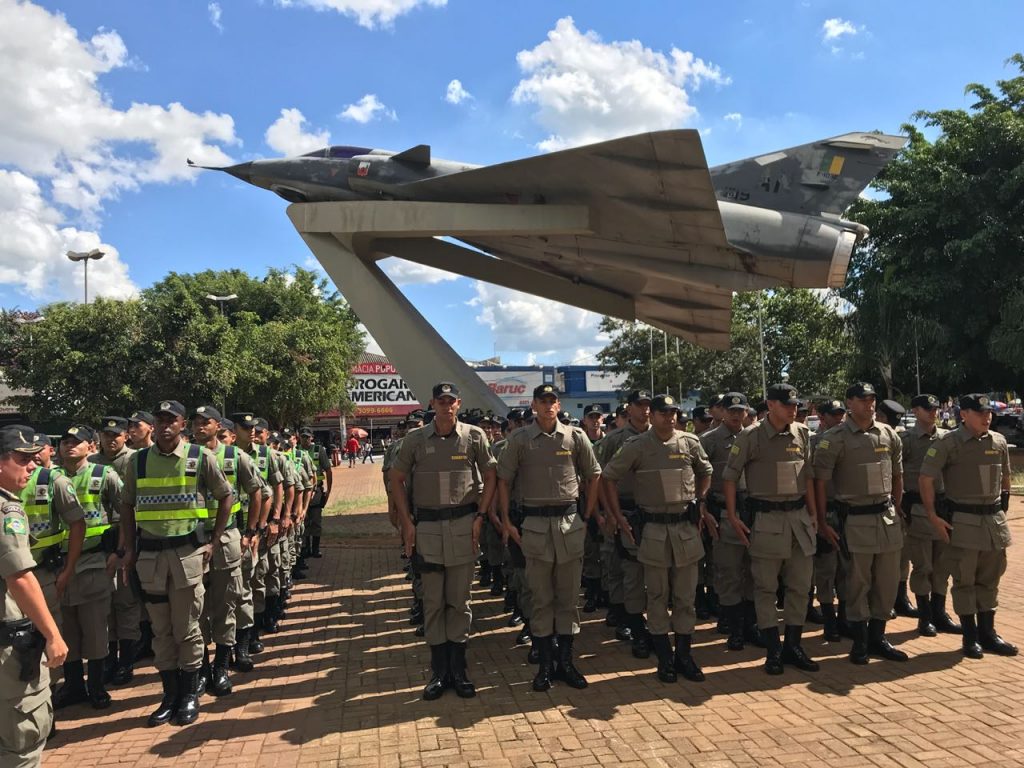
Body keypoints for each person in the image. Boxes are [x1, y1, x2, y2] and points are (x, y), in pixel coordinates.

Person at [114, 400, 233, 727]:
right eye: (160, 419)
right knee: (160, 630)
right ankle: (170, 695)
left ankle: (190, 694)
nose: (166, 425)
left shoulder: (200, 458)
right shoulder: (137, 463)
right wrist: (130, 549)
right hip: (150, 557)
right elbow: (126, 507)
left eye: (172, 420)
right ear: (154, 425)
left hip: (187, 556)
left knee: (187, 628)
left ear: (183, 425)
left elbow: (226, 496)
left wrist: (214, 538)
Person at [390, 382, 496, 700]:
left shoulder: (475, 436)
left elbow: (491, 475)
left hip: (464, 526)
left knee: (460, 602)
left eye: (451, 401)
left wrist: (481, 516)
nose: (446, 406)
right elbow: (396, 478)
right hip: (429, 530)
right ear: (432, 403)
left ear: (458, 404)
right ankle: (439, 671)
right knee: (434, 602)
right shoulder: (415, 439)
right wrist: (407, 523)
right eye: (441, 401)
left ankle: (459, 669)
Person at [602, 394, 714, 683]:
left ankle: (684, 656)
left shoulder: (689, 442)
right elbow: (608, 477)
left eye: (674, 412)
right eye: (664, 412)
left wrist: (700, 502)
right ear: (652, 414)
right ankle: (665, 658)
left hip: (686, 530)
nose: (671, 417)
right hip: (652, 530)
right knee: (657, 596)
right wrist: (617, 516)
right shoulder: (636, 446)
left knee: (686, 597)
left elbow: (706, 472)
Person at [498, 383, 601, 691]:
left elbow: (594, 475)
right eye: (542, 401)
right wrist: (505, 520)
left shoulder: (575, 437)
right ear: (534, 405)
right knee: (541, 599)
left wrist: (587, 513)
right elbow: (504, 480)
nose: (548, 406)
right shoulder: (519, 440)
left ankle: (566, 662)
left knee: (568, 598)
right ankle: (545, 665)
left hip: (569, 523)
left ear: (558, 405)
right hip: (535, 525)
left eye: (552, 401)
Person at [723, 384, 820, 675]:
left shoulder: (802, 433)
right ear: (770, 405)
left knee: (800, 587)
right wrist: (732, 515)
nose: (793, 409)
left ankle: (793, 646)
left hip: (799, 520)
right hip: (766, 521)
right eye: (787, 404)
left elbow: (810, 476)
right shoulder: (750, 436)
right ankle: (773, 650)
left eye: (795, 405)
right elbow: (729, 477)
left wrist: (814, 513)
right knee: (765, 588)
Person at [812, 382, 907, 665]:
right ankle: (860, 642)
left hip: (886, 518)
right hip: (855, 519)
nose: (869, 404)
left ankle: (879, 638)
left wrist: (897, 507)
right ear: (849, 403)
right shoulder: (834, 438)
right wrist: (820, 522)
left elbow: (898, 476)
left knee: (887, 582)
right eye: (863, 399)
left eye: (872, 399)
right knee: (857, 582)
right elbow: (820, 483)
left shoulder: (889, 434)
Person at [918, 393, 1017, 659]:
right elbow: (926, 477)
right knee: (965, 580)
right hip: (963, 521)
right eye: (980, 413)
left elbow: (1005, 477)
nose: (987, 417)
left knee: (991, 578)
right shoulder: (948, 443)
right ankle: (970, 636)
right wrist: (932, 515)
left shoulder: (999, 441)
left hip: (993, 522)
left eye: (988, 413)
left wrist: (1003, 503)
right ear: (964, 415)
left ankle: (989, 633)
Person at [0, 424, 69, 768]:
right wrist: (52, 634)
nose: (32, 466)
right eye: (22, 458)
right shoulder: (6, 512)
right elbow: (20, 577)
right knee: (22, 746)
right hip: (7, 649)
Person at [191, 405, 263, 697]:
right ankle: (201, 669)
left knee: (225, 605)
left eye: (205, 422)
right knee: (195, 611)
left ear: (217, 425)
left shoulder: (236, 456)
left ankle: (221, 667)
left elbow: (257, 491)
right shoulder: (187, 456)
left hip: (226, 539)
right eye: (195, 422)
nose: (199, 427)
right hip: (192, 540)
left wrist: (251, 532)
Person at [53, 424, 122, 710]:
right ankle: (73, 685)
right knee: (67, 627)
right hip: (58, 563)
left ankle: (96, 685)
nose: (70, 446)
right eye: (65, 441)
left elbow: (124, 514)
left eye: (77, 442)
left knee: (95, 627)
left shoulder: (105, 475)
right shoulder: (50, 478)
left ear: (91, 447)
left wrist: (118, 554)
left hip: (94, 561)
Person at [595, 390, 653, 656]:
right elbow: (599, 479)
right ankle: (628, 620)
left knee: (652, 573)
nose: (645, 410)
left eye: (648, 406)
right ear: (628, 409)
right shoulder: (614, 440)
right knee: (625, 570)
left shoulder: (661, 437)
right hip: (624, 512)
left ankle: (648, 621)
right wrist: (605, 513)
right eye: (639, 406)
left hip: (653, 513)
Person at [700, 393, 758, 650]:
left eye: (740, 410)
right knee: (729, 573)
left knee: (754, 573)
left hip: (755, 512)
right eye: (730, 410)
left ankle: (751, 627)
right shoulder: (709, 441)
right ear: (721, 412)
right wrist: (703, 509)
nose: (736, 415)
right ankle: (734, 629)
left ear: (747, 411)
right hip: (723, 513)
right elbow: (697, 478)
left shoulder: (757, 437)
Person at [901, 394, 960, 636]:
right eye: (927, 409)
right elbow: (896, 472)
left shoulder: (947, 438)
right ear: (915, 411)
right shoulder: (907, 440)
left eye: (935, 408)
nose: (932, 412)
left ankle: (940, 612)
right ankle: (925, 616)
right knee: (923, 565)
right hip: (918, 509)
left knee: (942, 565)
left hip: (943, 507)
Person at [90, 416, 141, 686]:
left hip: (127, 536)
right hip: (98, 542)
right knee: (105, 605)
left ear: (126, 436)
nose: (111, 439)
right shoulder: (92, 463)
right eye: (106, 435)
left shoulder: (134, 459)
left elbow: (126, 511)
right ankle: (109, 659)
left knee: (126, 601)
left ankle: (127, 660)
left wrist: (123, 549)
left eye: (116, 435)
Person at [809, 400, 850, 641]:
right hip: (826, 511)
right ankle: (829, 620)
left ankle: (843, 618)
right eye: (834, 415)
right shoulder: (814, 443)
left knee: (847, 568)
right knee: (826, 569)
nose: (839, 418)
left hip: (847, 511)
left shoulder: (849, 441)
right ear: (822, 417)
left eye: (841, 414)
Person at [300, 427, 332, 559]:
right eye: (303, 437)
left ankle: (316, 548)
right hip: (301, 491)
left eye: (307, 437)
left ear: (312, 437)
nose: (305, 439)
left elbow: (328, 470)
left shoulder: (319, 450)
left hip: (317, 490)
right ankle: (306, 547)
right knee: (304, 520)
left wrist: (329, 490)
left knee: (316, 519)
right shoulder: (296, 451)